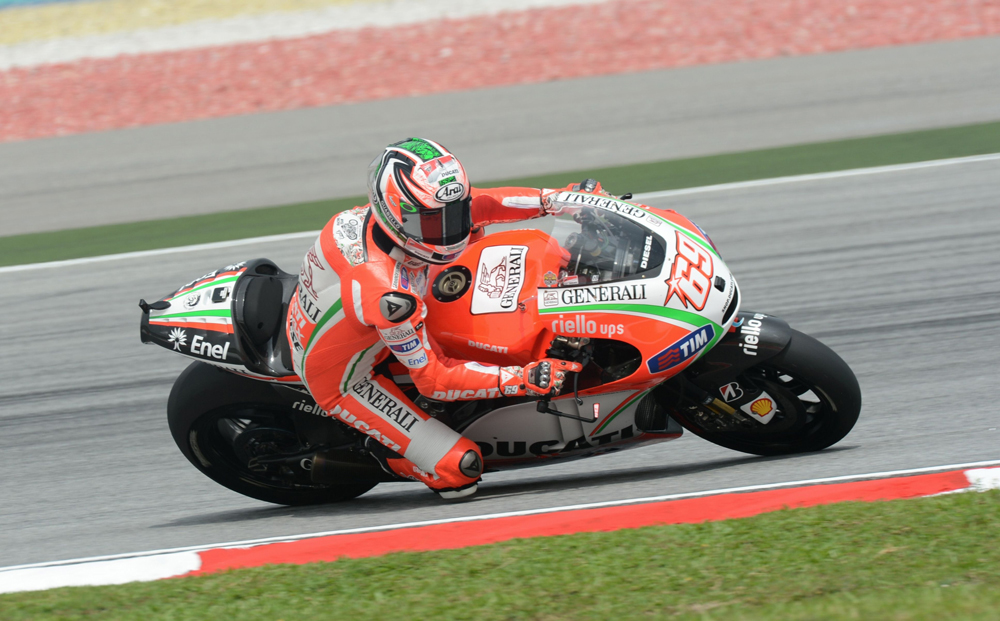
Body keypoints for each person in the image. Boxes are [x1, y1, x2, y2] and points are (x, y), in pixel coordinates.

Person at [287, 138, 582, 499]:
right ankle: (388, 457)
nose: (450, 231)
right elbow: (433, 380)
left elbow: (484, 205)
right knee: (461, 469)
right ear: (396, 213)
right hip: (347, 377)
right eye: (432, 222)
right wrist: (523, 378)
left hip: (381, 311)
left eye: (453, 214)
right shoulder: (389, 296)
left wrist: (560, 199)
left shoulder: (412, 219)